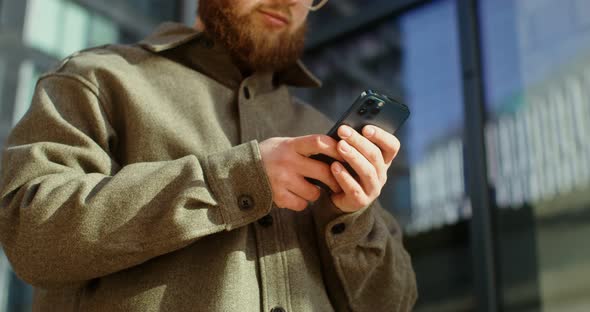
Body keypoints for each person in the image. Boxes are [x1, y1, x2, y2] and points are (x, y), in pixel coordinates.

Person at [0, 0, 417, 311]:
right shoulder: (99, 77)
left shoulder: (322, 127)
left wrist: (352, 220)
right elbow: (31, 235)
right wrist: (238, 179)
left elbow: (395, 304)